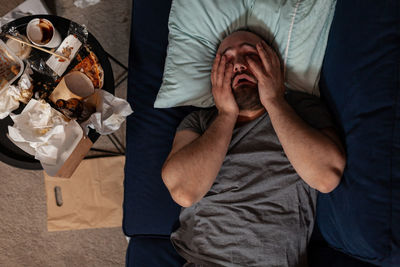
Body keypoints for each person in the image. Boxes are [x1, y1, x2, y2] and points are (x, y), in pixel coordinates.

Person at [161, 30, 346, 266]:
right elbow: (184, 192)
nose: (238, 65)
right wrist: (227, 114)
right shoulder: (200, 122)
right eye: (226, 60)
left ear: (273, 64)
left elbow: (326, 177)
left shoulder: (302, 109)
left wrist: (275, 100)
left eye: (250, 55)